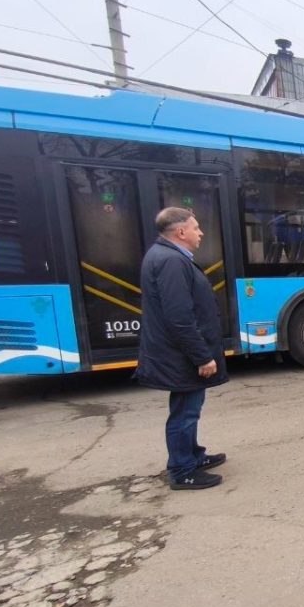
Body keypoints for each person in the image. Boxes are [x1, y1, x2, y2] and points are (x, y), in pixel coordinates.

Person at [135, 207, 229, 491]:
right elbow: (179, 316)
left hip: (176, 353)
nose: (200, 233)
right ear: (181, 232)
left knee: (189, 408)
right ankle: (182, 470)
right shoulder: (171, 261)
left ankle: (192, 456)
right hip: (180, 356)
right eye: (196, 227)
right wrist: (202, 356)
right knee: (185, 412)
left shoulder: (165, 256)